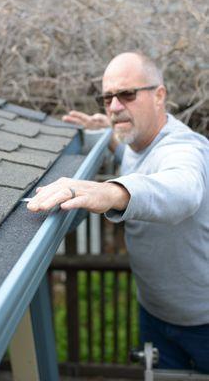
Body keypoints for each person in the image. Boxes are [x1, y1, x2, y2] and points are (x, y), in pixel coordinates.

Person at [27, 52, 209, 373]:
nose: (113, 107)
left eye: (127, 95)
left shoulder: (184, 148)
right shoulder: (138, 143)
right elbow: (131, 151)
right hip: (153, 312)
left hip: (203, 322)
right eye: (107, 97)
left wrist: (110, 191)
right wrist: (111, 136)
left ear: (159, 96)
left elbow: (184, 190)